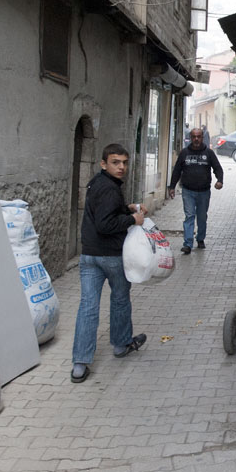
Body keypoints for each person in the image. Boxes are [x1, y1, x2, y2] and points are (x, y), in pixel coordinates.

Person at [71, 144, 148, 383]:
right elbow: (106, 225)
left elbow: (103, 212)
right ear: (103, 163)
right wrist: (133, 219)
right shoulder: (110, 189)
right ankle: (121, 344)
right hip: (111, 256)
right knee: (120, 299)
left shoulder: (97, 183)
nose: (121, 167)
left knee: (88, 307)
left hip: (89, 256)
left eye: (124, 162)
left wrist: (128, 208)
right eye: (116, 162)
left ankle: (80, 364)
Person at [168, 127, 224, 254]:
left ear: (202, 138)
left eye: (199, 137)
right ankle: (187, 244)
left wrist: (219, 180)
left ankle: (200, 239)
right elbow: (177, 170)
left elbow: (218, 168)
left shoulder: (209, 153)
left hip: (204, 192)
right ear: (191, 138)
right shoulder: (184, 153)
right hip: (188, 191)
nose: (196, 139)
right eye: (194, 137)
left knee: (202, 217)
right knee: (189, 216)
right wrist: (172, 187)